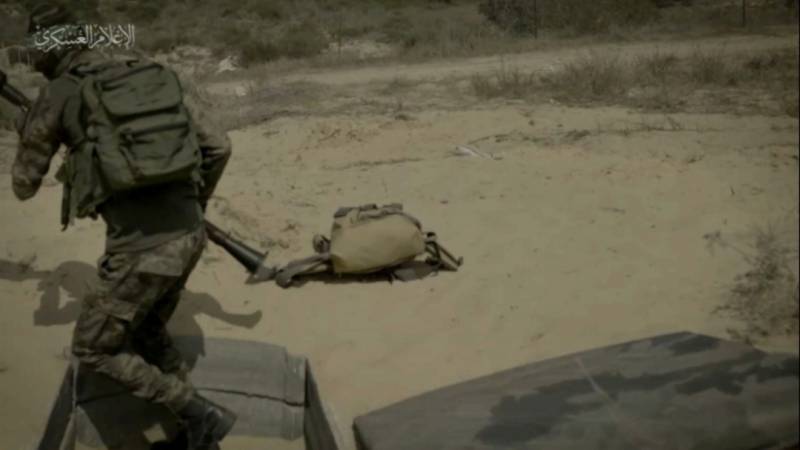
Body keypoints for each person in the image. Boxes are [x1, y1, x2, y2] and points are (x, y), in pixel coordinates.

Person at [13, 3, 237, 449]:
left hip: (141, 249)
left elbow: (23, 185)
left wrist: (33, 127)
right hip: (191, 235)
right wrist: (196, 201)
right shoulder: (149, 69)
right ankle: (195, 428)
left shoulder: (60, 92)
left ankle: (199, 412)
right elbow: (219, 146)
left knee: (94, 348)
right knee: (148, 329)